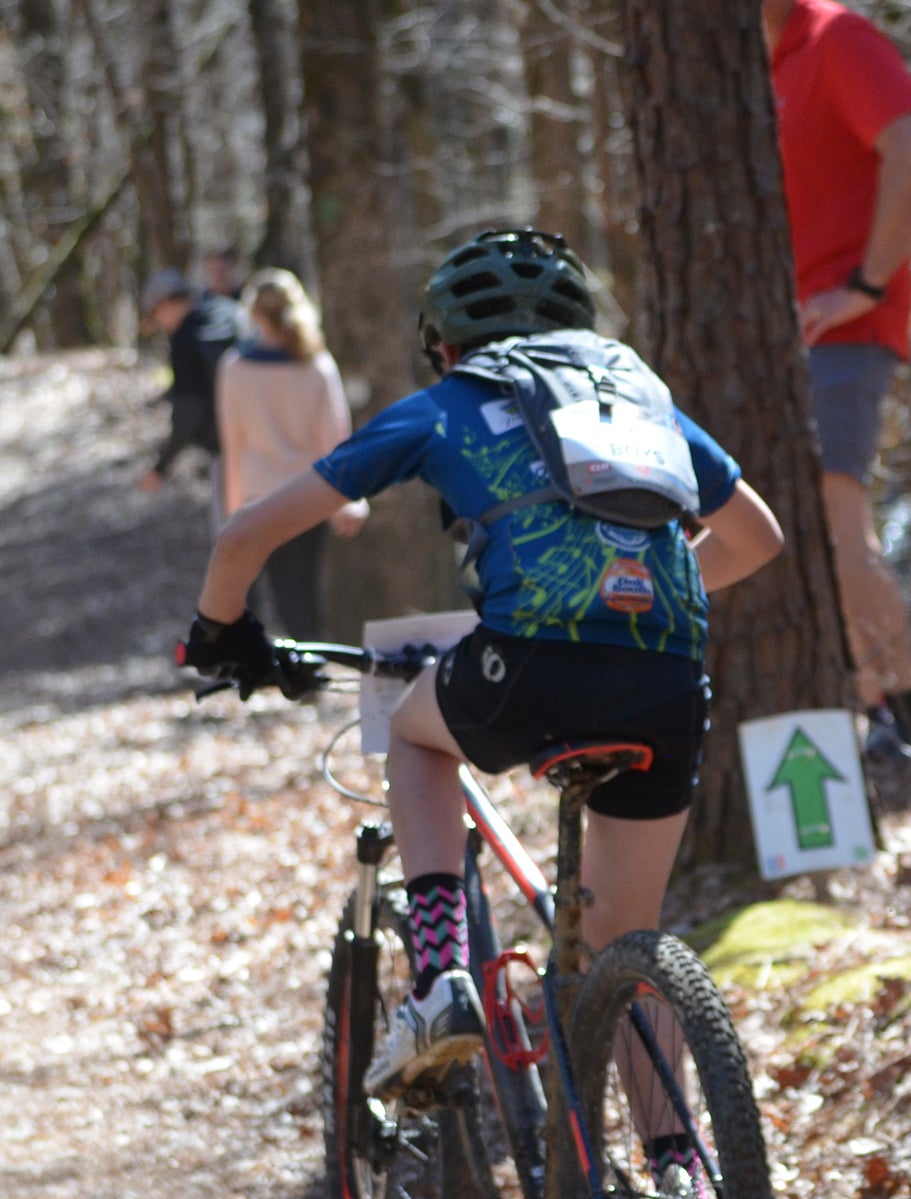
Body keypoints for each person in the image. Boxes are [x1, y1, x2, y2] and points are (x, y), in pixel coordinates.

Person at [177, 229, 783, 1100]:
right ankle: (683, 1173)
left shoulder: (445, 404)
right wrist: (628, 600)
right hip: (668, 671)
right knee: (626, 947)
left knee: (417, 740)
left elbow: (245, 534)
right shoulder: (635, 399)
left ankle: (439, 982)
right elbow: (758, 538)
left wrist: (221, 631)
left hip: (529, 655)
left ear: (448, 347)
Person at [764, 0, 911, 762]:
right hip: (782, 339)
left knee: (836, 519)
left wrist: (867, 285)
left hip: (841, 333)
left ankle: (902, 722)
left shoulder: (837, 39)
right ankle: (874, 715)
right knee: (801, 523)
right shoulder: (752, 62)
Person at [213, 269, 366, 639]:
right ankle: (310, 667)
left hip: (257, 500)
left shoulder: (235, 368)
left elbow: (233, 445)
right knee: (301, 595)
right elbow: (337, 442)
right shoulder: (317, 366)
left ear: (254, 314)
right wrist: (348, 501)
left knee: (263, 597)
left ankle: (275, 666)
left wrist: (232, 511)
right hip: (306, 497)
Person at [135, 270, 243, 510]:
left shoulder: (185, 338)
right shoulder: (229, 311)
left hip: (228, 448)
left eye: (156, 315)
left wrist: (161, 466)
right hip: (273, 439)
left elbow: (189, 411)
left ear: (165, 304)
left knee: (233, 526)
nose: (159, 325)